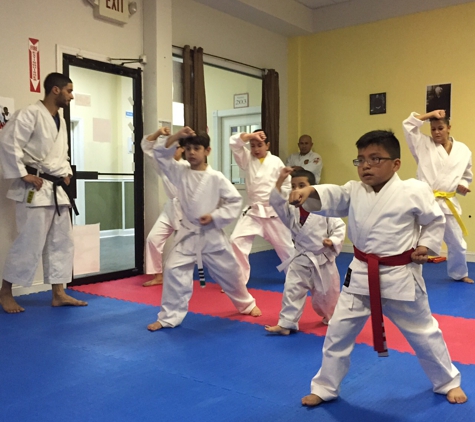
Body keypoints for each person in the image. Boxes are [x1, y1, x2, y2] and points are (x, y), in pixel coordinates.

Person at [288, 130, 467, 406]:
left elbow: (433, 221)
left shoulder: (414, 190)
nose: (366, 165)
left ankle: (447, 381)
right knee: (338, 332)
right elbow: (333, 195)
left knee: (424, 334)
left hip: (400, 276)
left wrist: (425, 246)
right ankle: (325, 387)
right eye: (360, 160)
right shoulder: (354, 190)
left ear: (395, 164)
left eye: (375, 158)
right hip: (360, 273)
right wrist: (311, 190)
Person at [146, 127, 261, 331]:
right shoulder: (179, 171)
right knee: (173, 270)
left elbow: (234, 200)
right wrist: (176, 136)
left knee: (231, 272)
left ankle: (246, 304)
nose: (191, 153)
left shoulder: (216, 177)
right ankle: (168, 317)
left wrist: (215, 216)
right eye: (188, 148)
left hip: (211, 234)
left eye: (196, 148)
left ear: (207, 151)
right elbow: (160, 156)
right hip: (188, 234)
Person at [0, 72, 87, 313]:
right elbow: (8, 142)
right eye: (69, 90)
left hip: (57, 191)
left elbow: (62, 153)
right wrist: (22, 173)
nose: (71, 95)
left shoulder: (58, 118)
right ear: (55, 90)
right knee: (29, 242)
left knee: (62, 242)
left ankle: (58, 293)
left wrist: (66, 171)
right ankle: (5, 292)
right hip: (34, 189)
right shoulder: (30, 113)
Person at [264, 168, 345, 334]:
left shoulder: (325, 208)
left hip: (322, 260)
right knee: (292, 290)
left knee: (327, 297)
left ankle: (331, 317)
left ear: (312, 188)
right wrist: (280, 180)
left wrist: (333, 241)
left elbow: (339, 227)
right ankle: (287, 324)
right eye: (293, 186)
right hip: (300, 258)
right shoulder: (291, 209)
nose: (296, 190)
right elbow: (276, 202)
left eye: (302, 185)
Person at [403, 110, 473, 284]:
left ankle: (459, 273)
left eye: (440, 128)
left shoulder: (463, 150)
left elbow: (466, 173)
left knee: (457, 242)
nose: (436, 132)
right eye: (433, 129)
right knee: (414, 242)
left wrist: (463, 184)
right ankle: (407, 274)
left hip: (447, 202)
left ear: (449, 128)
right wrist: (430, 114)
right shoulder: (422, 144)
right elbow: (408, 125)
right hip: (425, 201)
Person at [229, 130, 294, 285]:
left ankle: (297, 278)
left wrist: (279, 199)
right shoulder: (247, 159)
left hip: (273, 212)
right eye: (252, 145)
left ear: (268, 145)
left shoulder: (276, 162)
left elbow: (287, 185)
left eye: (259, 145)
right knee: (235, 240)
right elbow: (234, 143)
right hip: (253, 211)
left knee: (286, 248)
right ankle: (238, 281)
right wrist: (251, 136)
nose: (256, 149)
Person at [141, 127, 184, 287]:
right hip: (170, 208)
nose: (173, 151)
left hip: (186, 210)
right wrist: (158, 132)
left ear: (182, 149)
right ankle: (158, 276)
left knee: (198, 246)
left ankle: (225, 278)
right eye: (170, 147)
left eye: (176, 147)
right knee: (153, 239)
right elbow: (147, 147)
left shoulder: (187, 167)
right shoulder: (163, 165)